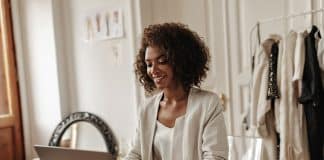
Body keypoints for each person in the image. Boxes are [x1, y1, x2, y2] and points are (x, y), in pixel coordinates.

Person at [125, 23, 228, 160]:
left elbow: (215, 157)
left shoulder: (208, 104)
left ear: (180, 60)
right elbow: (136, 153)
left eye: (162, 61)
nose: (153, 70)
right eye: (149, 64)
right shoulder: (146, 108)